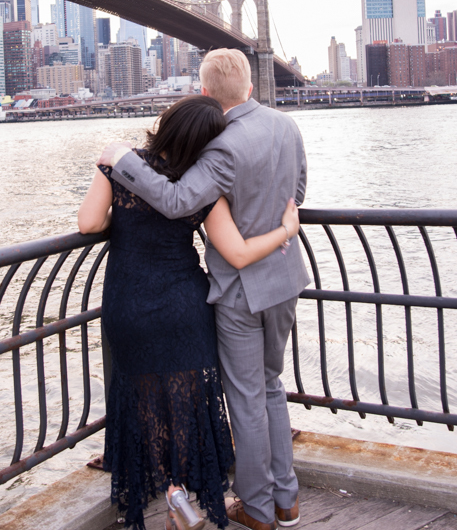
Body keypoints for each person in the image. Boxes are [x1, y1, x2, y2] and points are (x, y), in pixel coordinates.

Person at [99, 50, 309, 530]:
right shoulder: (286, 126)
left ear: (206, 94)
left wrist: (123, 160)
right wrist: (280, 228)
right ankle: (287, 500)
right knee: (271, 386)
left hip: (239, 291)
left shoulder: (221, 147)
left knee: (247, 400)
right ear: (251, 87)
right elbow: (297, 190)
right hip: (284, 278)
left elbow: (175, 201)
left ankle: (257, 510)